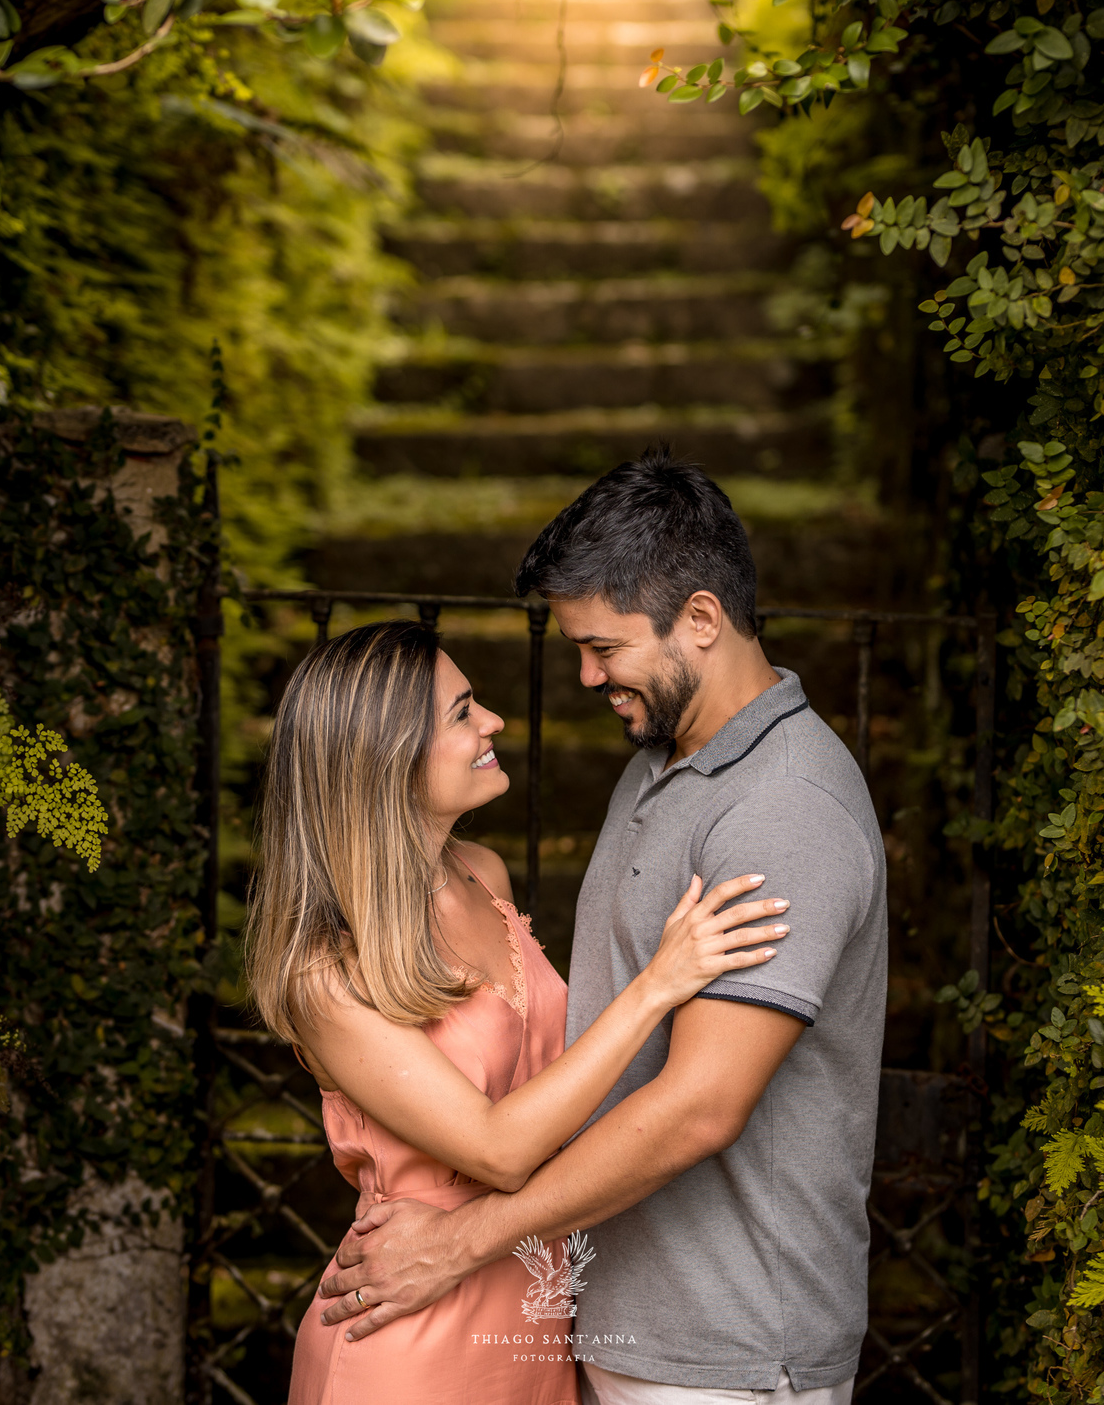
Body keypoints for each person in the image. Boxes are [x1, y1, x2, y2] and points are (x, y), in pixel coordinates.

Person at [317, 448, 888, 1405]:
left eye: (604, 647)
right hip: (602, 1322)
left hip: (730, 1353)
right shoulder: (662, 761)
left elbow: (702, 1103)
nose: (583, 675)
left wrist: (461, 1239)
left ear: (700, 619)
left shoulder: (783, 806)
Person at [245, 615, 792, 1405]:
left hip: (534, 1307)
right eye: (462, 711)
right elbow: (497, 1150)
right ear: (385, 759)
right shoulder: (324, 970)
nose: (493, 720)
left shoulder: (483, 874)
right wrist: (659, 984)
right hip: (410, 1328)